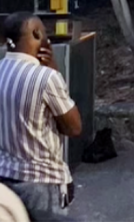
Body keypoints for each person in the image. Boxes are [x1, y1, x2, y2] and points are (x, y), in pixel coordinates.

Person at [0, 13, 82, 221]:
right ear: (36, 33)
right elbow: (73, 127)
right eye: (45, 32)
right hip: (42, 182)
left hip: (6, 177)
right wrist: (54, 69)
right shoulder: (46, 77)